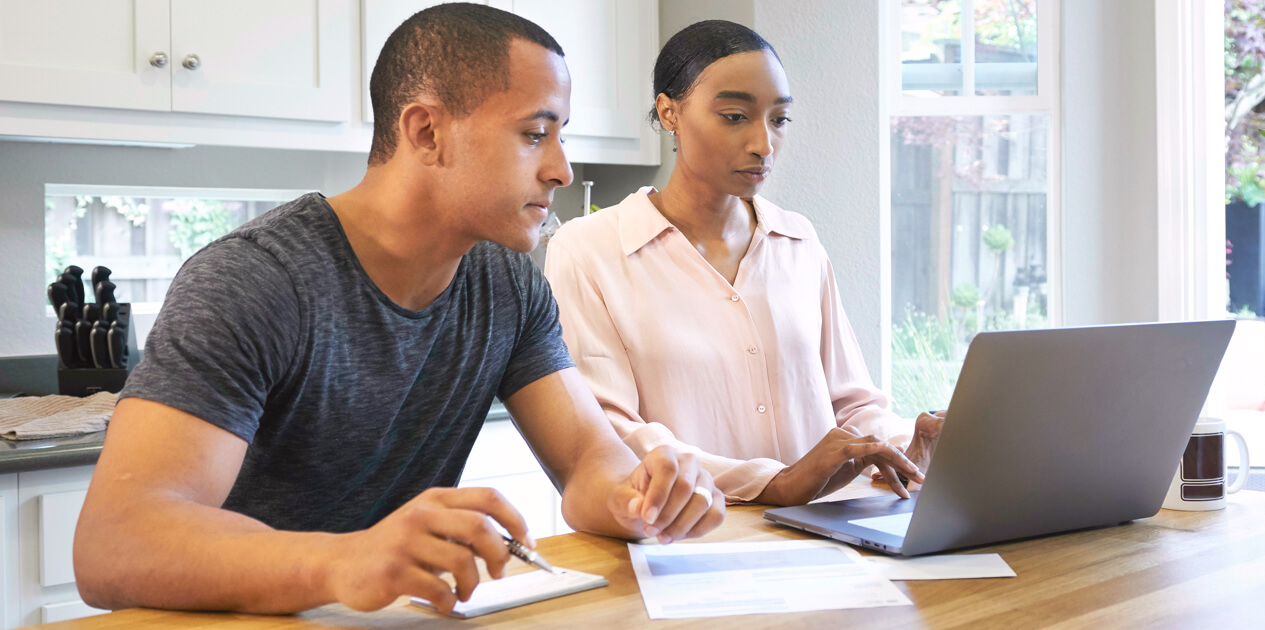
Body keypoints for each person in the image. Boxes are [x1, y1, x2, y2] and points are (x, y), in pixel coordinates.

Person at [72, 4, 724, 617]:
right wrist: (344, 559)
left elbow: (587, 459)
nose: (560, 168)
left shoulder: (507, 286)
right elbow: (115, 542)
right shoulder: (253, 281)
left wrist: (638, 495)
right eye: (534, 134)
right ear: (426, 131)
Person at [544, 20, 944, 507]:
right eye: (735, 116)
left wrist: (906, 443)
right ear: (669, 112)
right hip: (690, 540)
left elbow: (852, 402)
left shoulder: (799, 241)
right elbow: (613, 432)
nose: (764, 144)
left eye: (779, 119)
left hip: (826, 539)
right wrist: (773, 483)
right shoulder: (588, 250)